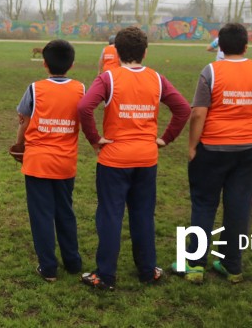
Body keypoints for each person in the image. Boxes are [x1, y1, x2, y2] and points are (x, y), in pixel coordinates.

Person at [78, 27, 191, 290]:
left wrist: (95, 139)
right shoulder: (157, 78)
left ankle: (105, 275)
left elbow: (84, 107)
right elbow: (183, 109)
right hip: (146, 158)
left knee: (110, 216)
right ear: (145, 52)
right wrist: (165, 139)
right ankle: (147, 270)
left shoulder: (108, 78)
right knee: (143, 215)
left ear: (115, 52)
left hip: (114, 159)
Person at [180, 23, 252, 284]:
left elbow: (198, 113)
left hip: (211, 149)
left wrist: (192, 145)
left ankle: (195, 266)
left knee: (204, 205)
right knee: (238, 207)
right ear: (245, 45)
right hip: (247, 150)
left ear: (220, 45)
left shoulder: (210, 71)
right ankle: (232, 266)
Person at [13, 39, 85, 282]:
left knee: (41, 215)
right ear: (72, 64)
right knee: (65, 212)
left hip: (37, 162)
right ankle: (73, 262)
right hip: (66, 163)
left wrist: (19, 145)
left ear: (44, 63)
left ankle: (48, 268)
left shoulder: (34, 89)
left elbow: (23, 120)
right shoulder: (80, 89)